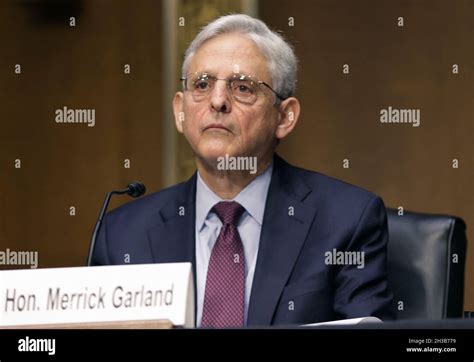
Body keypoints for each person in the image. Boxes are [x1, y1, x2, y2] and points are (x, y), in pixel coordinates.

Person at [92, 14, 394, 327]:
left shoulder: (346, 220)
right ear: (180, 112)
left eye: (242, 87)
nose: (218, 100)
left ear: (285, 117)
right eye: (202, 84)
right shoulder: (122, 235)